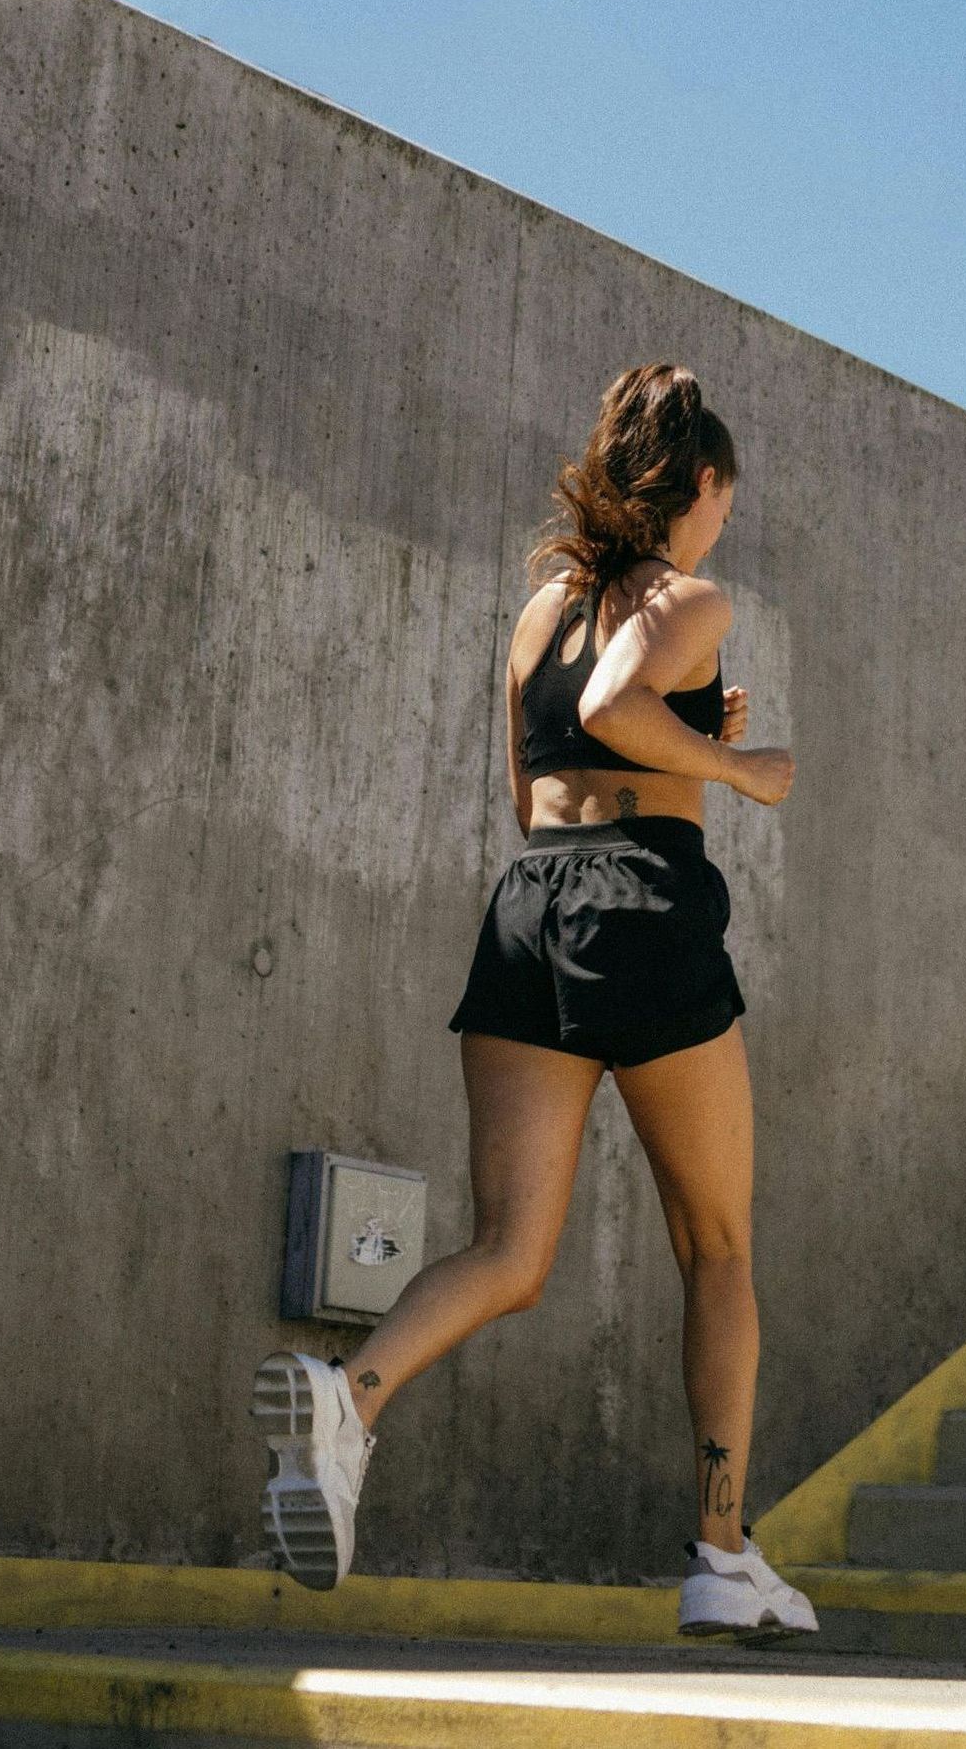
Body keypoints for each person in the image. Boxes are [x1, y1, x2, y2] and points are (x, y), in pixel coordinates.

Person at [249, 362, 819, 1639]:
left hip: (527, 909)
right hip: (644, 916)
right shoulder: (691, 594)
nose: (724, 521)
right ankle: (722, 1556)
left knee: (507, 1250)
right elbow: (622, 702)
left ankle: (352, 1398)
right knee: (715, 1245)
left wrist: (675, 729)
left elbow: (539, 787)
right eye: (724, 498)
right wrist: (733, 764)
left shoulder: (539, 608)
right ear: (704, 482)